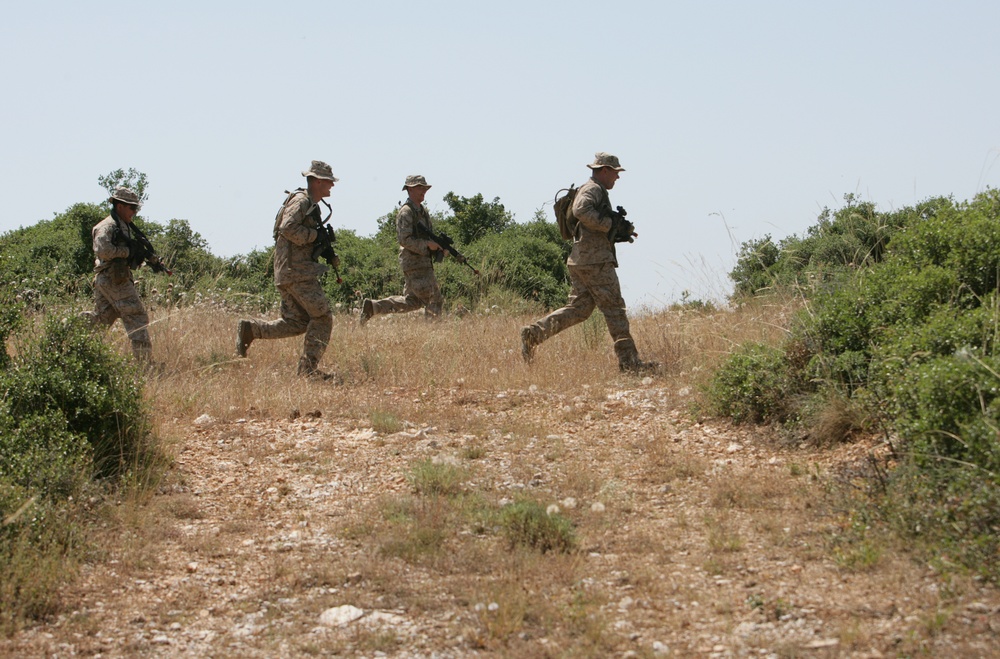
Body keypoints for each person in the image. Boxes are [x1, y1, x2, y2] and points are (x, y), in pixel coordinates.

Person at [520, 152, 658, 373]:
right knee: (614, 309)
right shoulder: (593, 188)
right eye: (615, 172)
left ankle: (533, 334)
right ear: (604, 170)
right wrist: (608, 226)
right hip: (595, 262)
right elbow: (581, 210)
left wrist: (618, 230)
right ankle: (630, 364)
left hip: (582, 259)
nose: (617, 177)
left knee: (579, 310)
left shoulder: (594, 189)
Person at [236, 160, 339, 379]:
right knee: (322, 318)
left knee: (297, 322)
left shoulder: (312, 204)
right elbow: (288, 228)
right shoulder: (301, 201)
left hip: (291, 271)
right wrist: (315, 236)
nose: (331, 186)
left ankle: (252, 330)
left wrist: (325, 249)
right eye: (329, 182)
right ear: (317, 181)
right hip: (297, 272)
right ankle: (308, 371)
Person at [359, 174, 456, 325]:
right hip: (415, 264)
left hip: (422, 263)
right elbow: (404, 239)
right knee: (434, 299)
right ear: (409, 189)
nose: (423, 191)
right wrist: (427, 245)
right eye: (419, 187)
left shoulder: (422, 212)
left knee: (413, 301)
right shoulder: (406, 212)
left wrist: (437, 249)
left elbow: (427, 238)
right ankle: (435, 336)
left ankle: (373, 307)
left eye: (424, 188)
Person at [82, 187, 156, 363]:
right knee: (137, 316)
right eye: (132, 208)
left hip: (113, 278)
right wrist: (127, 252)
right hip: (113, 279)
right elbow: (103, 250)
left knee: (102, 319)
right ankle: (145, 365)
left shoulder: (125, 226)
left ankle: (74, 342)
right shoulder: (107, 226)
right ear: (120, 206)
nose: (134, 212)